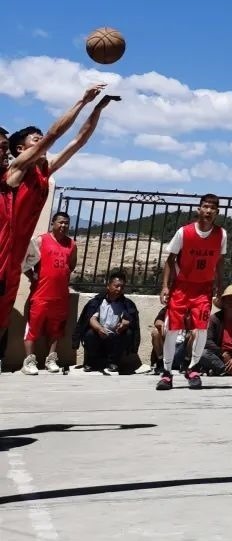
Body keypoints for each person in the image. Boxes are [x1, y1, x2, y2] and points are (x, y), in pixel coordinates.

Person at [1, 86, 117, 355]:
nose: (42, 141)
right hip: (2, 251)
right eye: (36, 139)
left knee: (3, 317)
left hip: (14, 257)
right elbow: (54, 135)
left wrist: (97, 109)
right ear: (20, 149)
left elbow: (78, 141)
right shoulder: (17, 170)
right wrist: (82, 100)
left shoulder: (44, 172)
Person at [157, 194, 227, 391]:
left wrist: (220, 284)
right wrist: (165, 286)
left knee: (202, 328)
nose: (208, 210)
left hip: (204, 288)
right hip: (182, 287)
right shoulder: (184, 232)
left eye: (212, 208)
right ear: (199, 209)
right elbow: (170, 259)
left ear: (217, 212)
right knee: (172, 329)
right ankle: (167, 372)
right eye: (205, 206)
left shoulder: (221, 235)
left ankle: (193, 368)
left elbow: (220, 261)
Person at [21, 210, 78, 373]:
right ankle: (29, 362)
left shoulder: (71, 244)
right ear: (53, 223)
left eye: (66, 223)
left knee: (56, 330)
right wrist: (32, 276)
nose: (63, 225)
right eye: (60, 222)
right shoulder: (40, 240)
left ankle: (51, 359)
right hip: (40, 294)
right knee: (33, 329)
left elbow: (71, 265)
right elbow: (24, 262)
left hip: (60, 296)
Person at [74, 269, 141, 373]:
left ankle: (113, 363)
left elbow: (130, 319)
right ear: (108, 286)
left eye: (122, 287)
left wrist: (125, 324)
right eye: (116, 286)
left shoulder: (127, 304)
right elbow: (91, 318)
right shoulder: (97, 302)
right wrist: (99, 329)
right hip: (99, 335)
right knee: (89, 334)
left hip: (115, 336)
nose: (119, 289)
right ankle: (90, 363)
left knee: (127, 333)